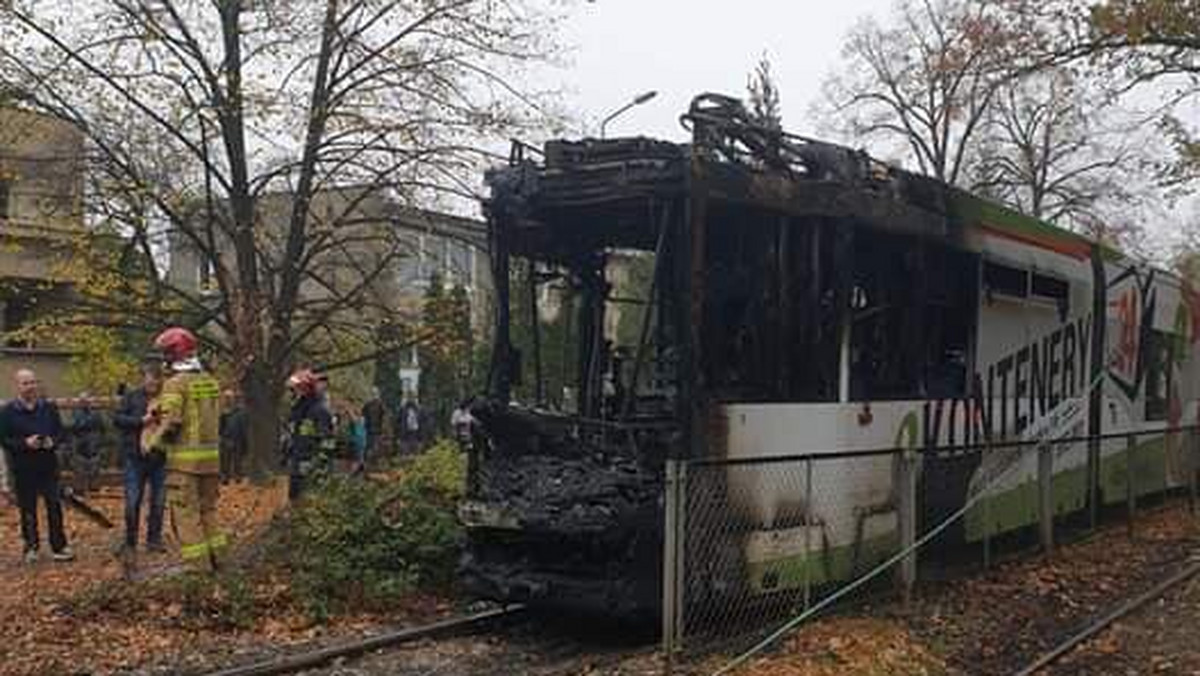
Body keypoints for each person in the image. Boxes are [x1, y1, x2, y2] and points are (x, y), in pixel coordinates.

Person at [142, 327, 225, 573]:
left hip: (184, 465)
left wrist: (151, 443)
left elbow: (172, 422)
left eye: (165, 354)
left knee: (186, 515)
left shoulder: (175, 384)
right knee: (208, 512)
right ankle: (219, 561)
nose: (163, 360)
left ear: (173, 354)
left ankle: (198, 569)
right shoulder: (210, 382)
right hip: (211, 462)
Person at [0, 369, 73, 563]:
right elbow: (4, 439)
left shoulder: (49, 408)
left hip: (48, 465)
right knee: (28, 509)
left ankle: (59, 546)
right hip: (23, 467)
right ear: (17, 386)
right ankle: (31, 546)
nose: (30, 387)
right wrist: (25, 443)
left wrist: (52, 442)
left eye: (33, 382)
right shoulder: (8, 411)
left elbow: (61, 433)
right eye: (26, 383)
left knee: (54, 506)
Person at [112, 363, 166, 553]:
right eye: (149, 379)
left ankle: (154, 540)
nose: (152, 383)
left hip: (159, 457)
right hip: (134, 457)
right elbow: (117, 419)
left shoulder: (166, 398)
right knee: (132, 501)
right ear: (143, 379)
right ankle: (130, 541)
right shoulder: (131, 397)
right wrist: (140, 421)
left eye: (156, 380)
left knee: (158, 502)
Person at [284, 369, 335, 501]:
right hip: (297, 459)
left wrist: (320, 464)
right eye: (293, 389)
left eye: (297, 388)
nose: (294, 392)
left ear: (307, 388)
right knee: (294, 498)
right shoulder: (298, 410)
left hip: (311, 463)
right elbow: (295, 434)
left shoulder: (320, 410)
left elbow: (328, 440)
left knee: (309, 500)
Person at [69, 393, 105, 495]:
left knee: (94, 468)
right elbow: (73, 427)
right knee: (79, 469)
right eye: (83, 401)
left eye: (87, 401)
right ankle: (79, 489)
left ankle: (94, 488)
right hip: (80, 445)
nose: (85, 403)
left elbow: (102, 428)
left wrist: (99, 440)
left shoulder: (96, 413)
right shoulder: (75, 413)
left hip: (94, 444)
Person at [218, 390, 247, 482]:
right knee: (225, 459)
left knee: (237, 459)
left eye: (229, 397)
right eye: (226, 397)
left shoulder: (240, 412)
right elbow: (220, 426)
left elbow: (243, 426)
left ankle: (238, 476)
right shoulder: (222, 412)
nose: (228, 400)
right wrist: (221, 436)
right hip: (226, 438)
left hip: (238, 438)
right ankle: (225, 477)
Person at [361, 389, 384, 467]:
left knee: (375, 448)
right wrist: (364, 426)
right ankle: (365, 463)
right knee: (368, 447)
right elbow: (363, 416)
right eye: (373, 394)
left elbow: (383, 417)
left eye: (376, 394)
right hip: (369, 430)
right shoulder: (367, 405)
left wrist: (383, 429)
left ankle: (374, 464)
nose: (374, 395)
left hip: (377, 430)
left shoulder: (380, 405)